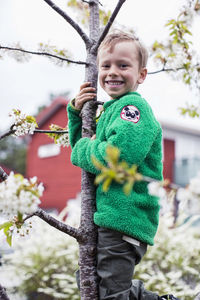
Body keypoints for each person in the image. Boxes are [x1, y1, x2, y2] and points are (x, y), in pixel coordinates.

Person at [67, 31, 180, 300]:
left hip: (124, 219)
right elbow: (84, 152)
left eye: (123, 65)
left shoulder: (133, 109)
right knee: (88, 281)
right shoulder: (109, 110)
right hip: (109, 217)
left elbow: (116, 157)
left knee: (110, 294)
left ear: (141, 75)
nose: (112, 72)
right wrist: (75, 113)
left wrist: (86, 148)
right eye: (106, 65)